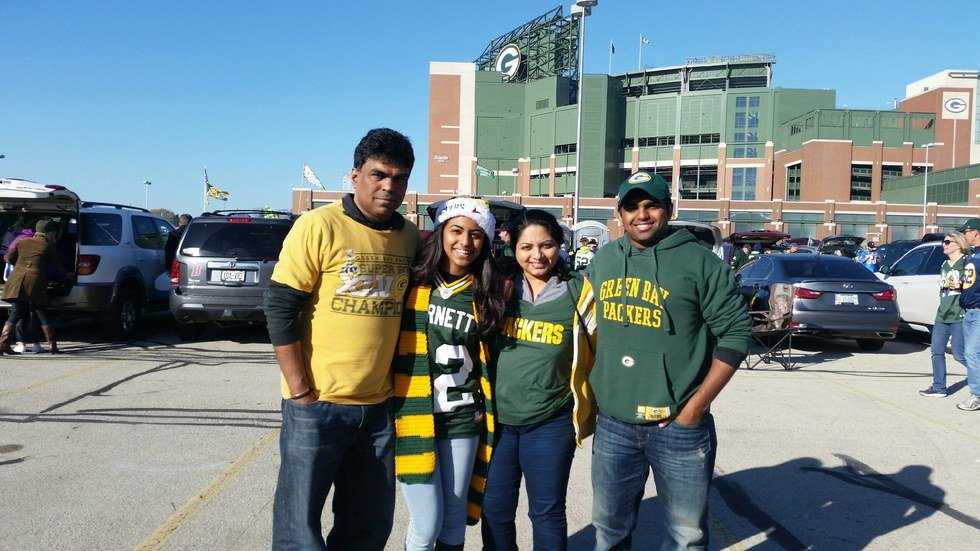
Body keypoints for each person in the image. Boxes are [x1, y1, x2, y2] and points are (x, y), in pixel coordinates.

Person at [263, 128, 420, 550]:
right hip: (318, 405)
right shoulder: (318, 226)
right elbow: (280, 307)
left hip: (379, 410)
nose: (389, 186)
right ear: (355, 175)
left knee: (368, 527)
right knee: (299, 528)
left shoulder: (408, 237)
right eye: (378, 174)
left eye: (399, 178)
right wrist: (300, 390)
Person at [587, 171, 751, 550]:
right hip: (614, 424)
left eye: (652, 205)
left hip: (677, 426)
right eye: (632, 207)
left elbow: (736, 335)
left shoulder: (701, 263)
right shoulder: (605, 259)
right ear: (619, 214)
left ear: (669, 209)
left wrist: (695, 408)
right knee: (609, 532)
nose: (641, 215)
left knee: (686, 537)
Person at [392, 196, 505, 551]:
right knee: (426, 523)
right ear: (441, 232)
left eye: (476, 234)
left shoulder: (486, 292)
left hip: (462, 419)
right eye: (456, 231)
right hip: (415, 415)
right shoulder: (414, 283)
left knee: (455, 519)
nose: (465, 241)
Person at [480, 209, 596, 551]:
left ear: (559, 245)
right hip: (498, 423)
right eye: (526, 247)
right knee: (495, 511)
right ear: (513, 248)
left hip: (551, 422)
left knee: (546, 513)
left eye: (546, 245)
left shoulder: (579, 292)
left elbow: (602, 349)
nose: (537, 255)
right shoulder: (499, 287)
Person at [1, 220, 67, 355]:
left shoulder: (22, 241)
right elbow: (56, 267)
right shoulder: (47, 246)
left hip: (16, 280)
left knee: (16, 312)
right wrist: (66, 276)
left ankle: (3, 344)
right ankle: (53, 346)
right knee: (40, 311)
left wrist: (21, 265)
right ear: (49, 233)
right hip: (35, 282)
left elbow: (9, 258)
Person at [919, 232, 969, 398]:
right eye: (944, 242)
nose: (944, 245)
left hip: (960, 314)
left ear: (958, 244)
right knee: (936, 352)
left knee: (959, 354)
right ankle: (939, 387)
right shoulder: (944, 264)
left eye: (947, 242)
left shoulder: (967, 263)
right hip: (942, 314)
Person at [956, 218, 980, 411]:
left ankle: (977, 396)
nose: (963, 235)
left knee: (971, 353)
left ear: (976, 232)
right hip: (969, 311)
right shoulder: (972, 255)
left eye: (966, 232)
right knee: (965, 353)